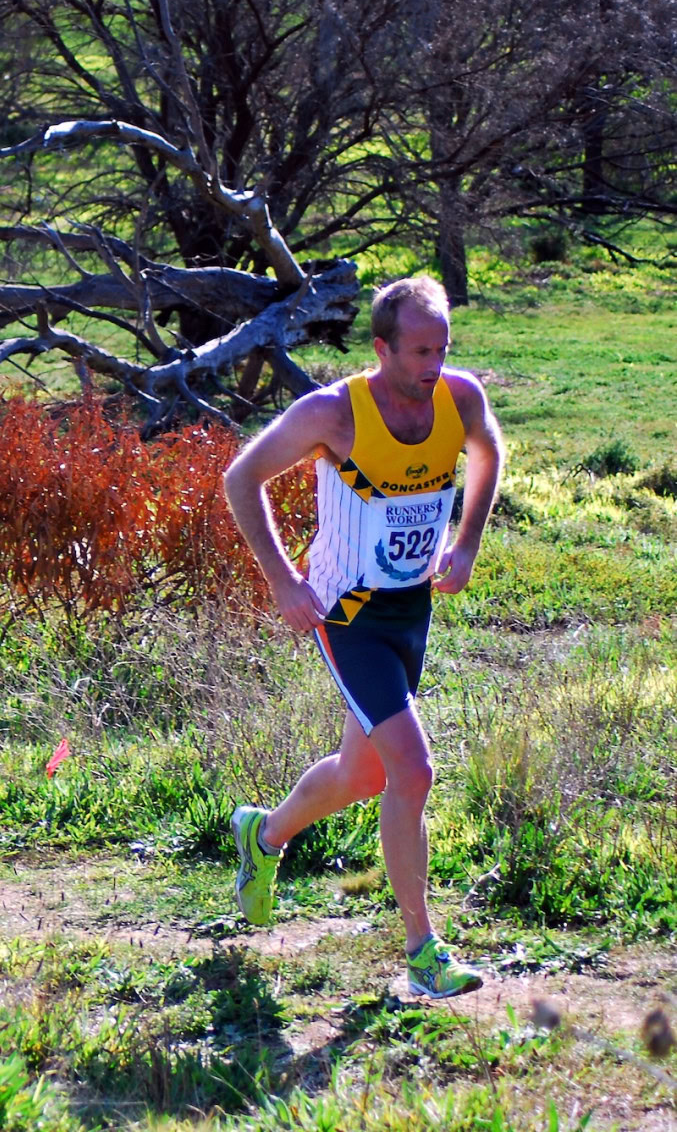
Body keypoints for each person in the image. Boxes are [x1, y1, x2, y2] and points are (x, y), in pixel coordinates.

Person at [221, 276, 503, 999]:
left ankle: (263, 835)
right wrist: (284, 581)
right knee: (411, 770)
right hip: (345, 615)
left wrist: (465, 544)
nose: (432, 364)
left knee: (365, 774)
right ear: (381, 347)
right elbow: (240, 478)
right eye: (417, 351)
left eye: (441, 348)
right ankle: (421, 950)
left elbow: (486, 454)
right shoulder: (332, 413)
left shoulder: (459, 397)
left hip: (412, 610)